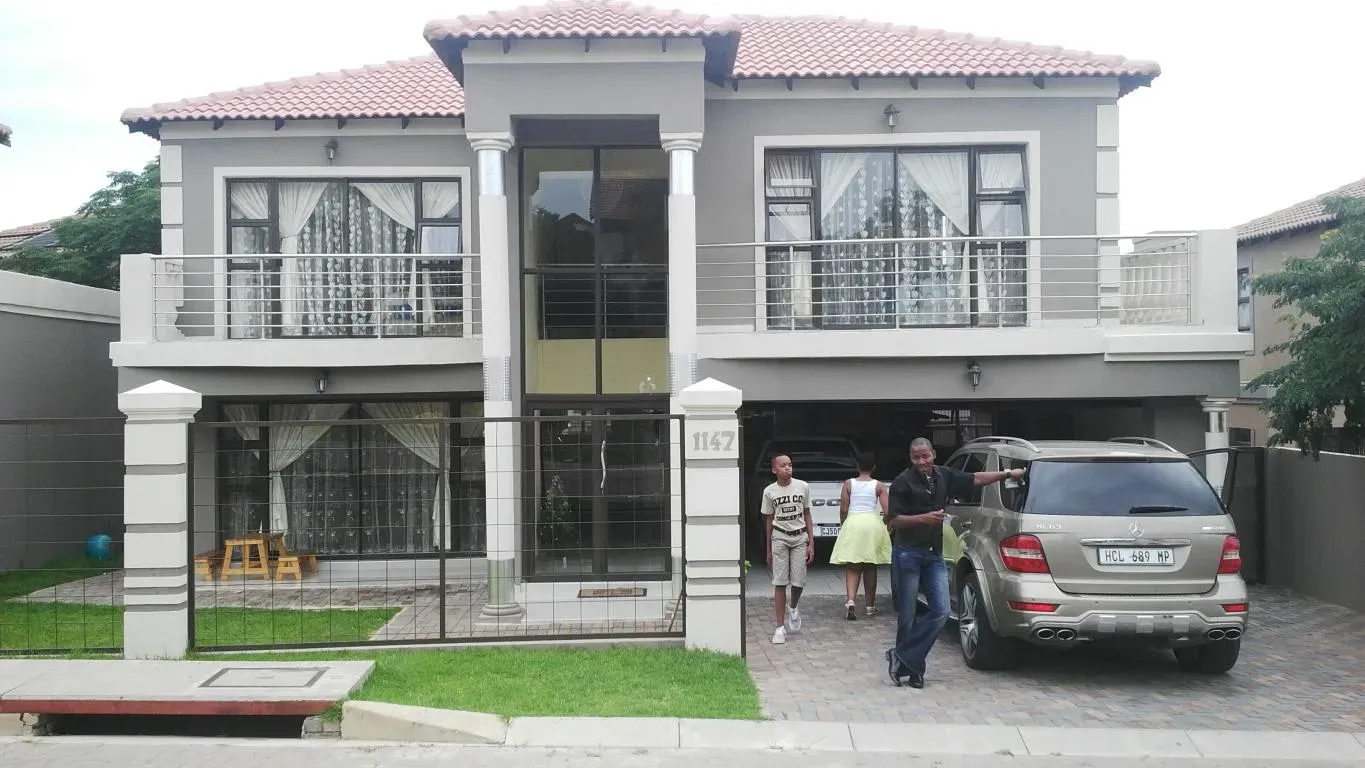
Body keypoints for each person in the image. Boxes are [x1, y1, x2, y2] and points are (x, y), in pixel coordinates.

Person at [884, 438, 1024, 688]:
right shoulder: (901, 483)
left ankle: (901, 656)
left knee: (941, 612)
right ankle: (914, 670)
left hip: (934, 554)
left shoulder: (944, 475)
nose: (922, 462)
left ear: (933, 454)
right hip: (908, 554)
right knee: (907, 616)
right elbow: (893, 520)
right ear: (910, 457)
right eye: (916, 457)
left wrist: (1006, 474)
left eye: (925, 456)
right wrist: (925, 518)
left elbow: (976, 478)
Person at [760, 453, 815, 645]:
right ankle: (779, 627)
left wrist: (811, 542)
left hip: (800, 537)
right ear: (774, 470)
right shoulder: (769, 491)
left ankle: (793, 606)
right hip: (779, 536)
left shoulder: (803, 487)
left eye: (790, 464)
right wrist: (768, 547)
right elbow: (769, 519)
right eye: (783, 465)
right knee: (780, 581)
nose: (788, 468)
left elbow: (807, 514)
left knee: (799, 580)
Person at [830, 451, 891, 620]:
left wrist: (844, 524)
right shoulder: (879, 485)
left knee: (852, 565)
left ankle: (851, 601)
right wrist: (884, 524)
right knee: (870, 565)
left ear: (857, 466)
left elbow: (843, 509)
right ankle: (870, 606)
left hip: (854, 522)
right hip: (872, 523)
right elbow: (888, 511)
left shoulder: (848, 484)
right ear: (874, 468)